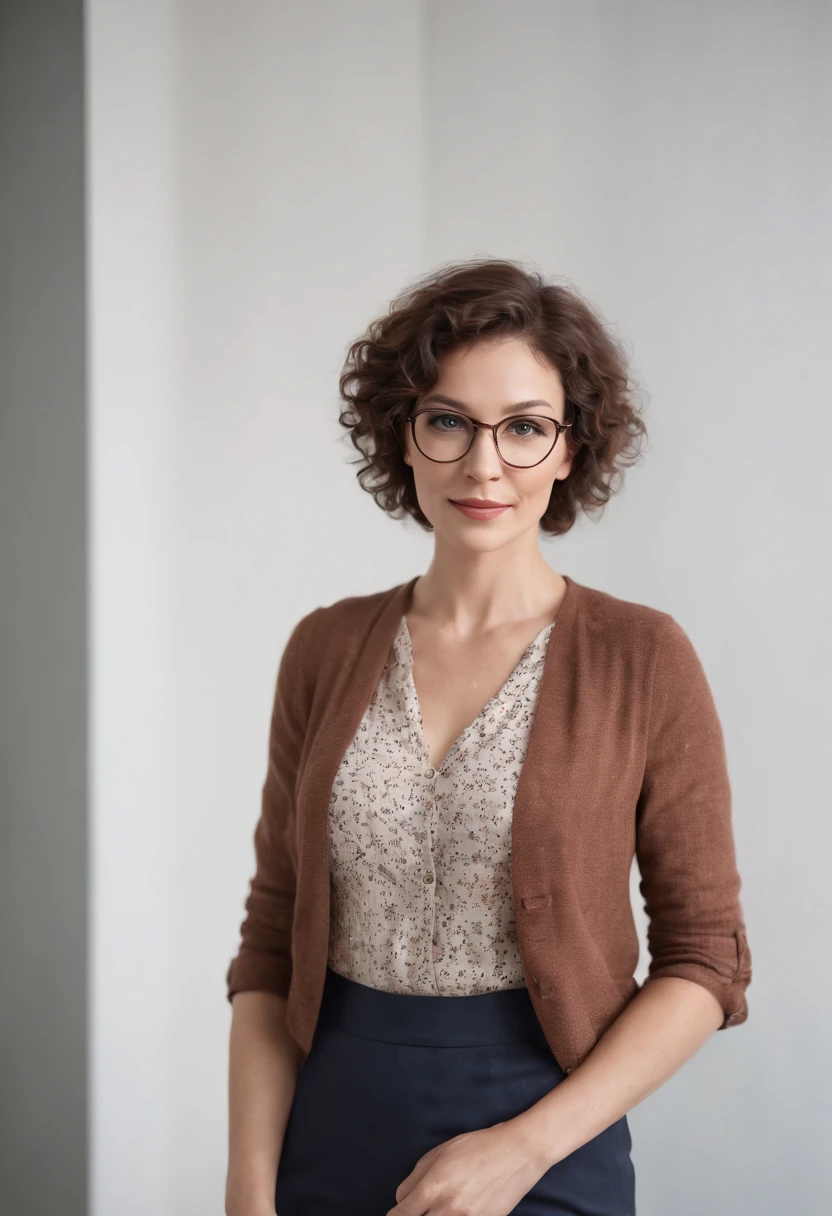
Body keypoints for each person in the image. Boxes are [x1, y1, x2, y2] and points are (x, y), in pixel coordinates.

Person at [224, 258, 752, 1216]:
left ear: (567, 449)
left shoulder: (643, 657)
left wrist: (523, 1150)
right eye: (447, 421)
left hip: (548, 1127)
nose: (483, 464)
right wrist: (249, 1191)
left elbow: (705, 959)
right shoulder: (326, 647)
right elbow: (270, 939)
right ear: (405, 436)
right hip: (330, 1123)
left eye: (523, 428)